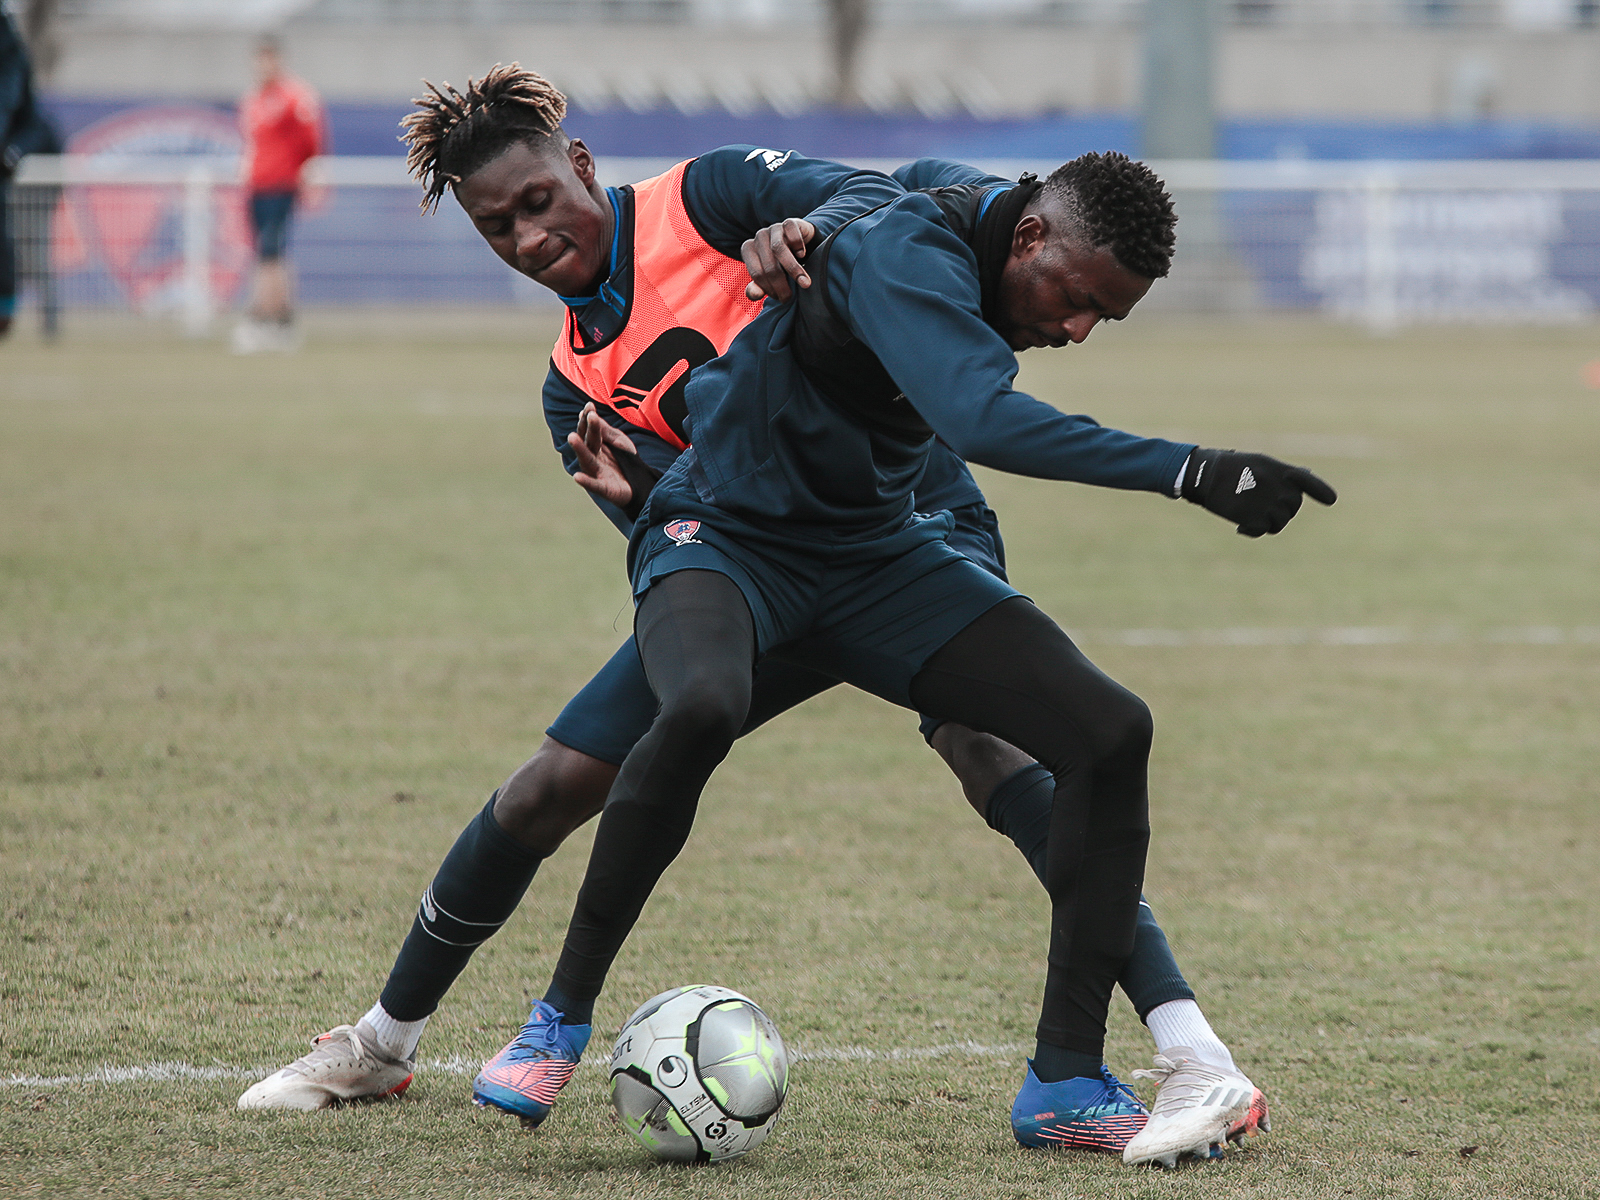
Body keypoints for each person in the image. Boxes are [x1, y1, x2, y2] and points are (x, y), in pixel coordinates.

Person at [238, 66, 1301, 1165]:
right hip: (751, 554)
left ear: (581, 168)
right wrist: (649, 503)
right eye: (496, 222)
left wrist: (805, 226)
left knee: (1003, 745)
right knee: (555, 784)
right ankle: (382, 1040)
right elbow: (671, 526)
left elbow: (879, 195)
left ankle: (1157, 1053)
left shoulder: (703, 197)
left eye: (540, 199)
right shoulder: (572, 385)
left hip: (911, 521)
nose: (528, 231)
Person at [231, 35, 322, 354]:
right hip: (256, 185)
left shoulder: (294, 97)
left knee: (271, 252)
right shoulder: (253, 99)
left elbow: (311, 141)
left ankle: (263, 319)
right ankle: (280, 319)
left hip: (280, 185)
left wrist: (303, 174)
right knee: (268, 253)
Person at [1, 7, 60, 342]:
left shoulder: (12, 57)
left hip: (18, 184)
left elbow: (32, 125)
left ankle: (31, 317)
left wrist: (13, 153)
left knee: (31, 252)